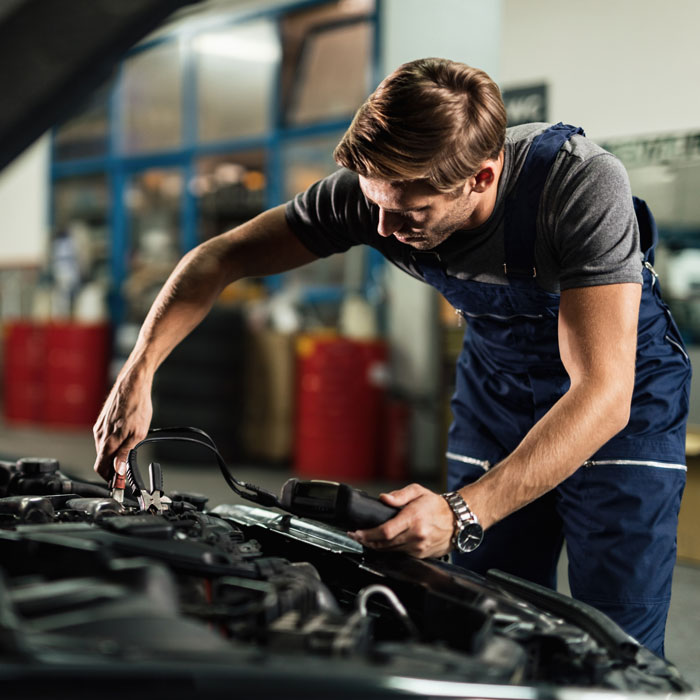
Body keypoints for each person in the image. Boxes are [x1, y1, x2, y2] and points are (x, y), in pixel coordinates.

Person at [93, 57, 691, 658]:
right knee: (483, 618)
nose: (381, 225)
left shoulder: (579, 185)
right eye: (376, 201)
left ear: (480, 179)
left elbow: (603, 394)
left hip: (620, 408)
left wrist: (460, 510)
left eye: (410, 212)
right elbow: (217, 258)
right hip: (498, 389)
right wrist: (138, 372)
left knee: (615, 640)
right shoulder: (375, 196)